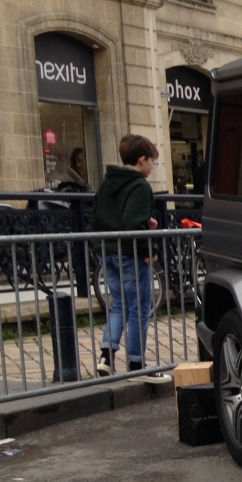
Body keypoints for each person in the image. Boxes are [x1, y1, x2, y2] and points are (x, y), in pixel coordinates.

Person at [92, 134, 171, 383]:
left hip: (108, 251)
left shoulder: (108, 183)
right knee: (139, 309)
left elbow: (105, 216)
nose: (152, 168)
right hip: (130, 254)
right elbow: (131, 223)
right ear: (142, 159)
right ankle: (137, 364)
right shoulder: (139, 185)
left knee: (119, 305)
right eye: (152, 162)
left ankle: (106, 356)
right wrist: (151, 250)